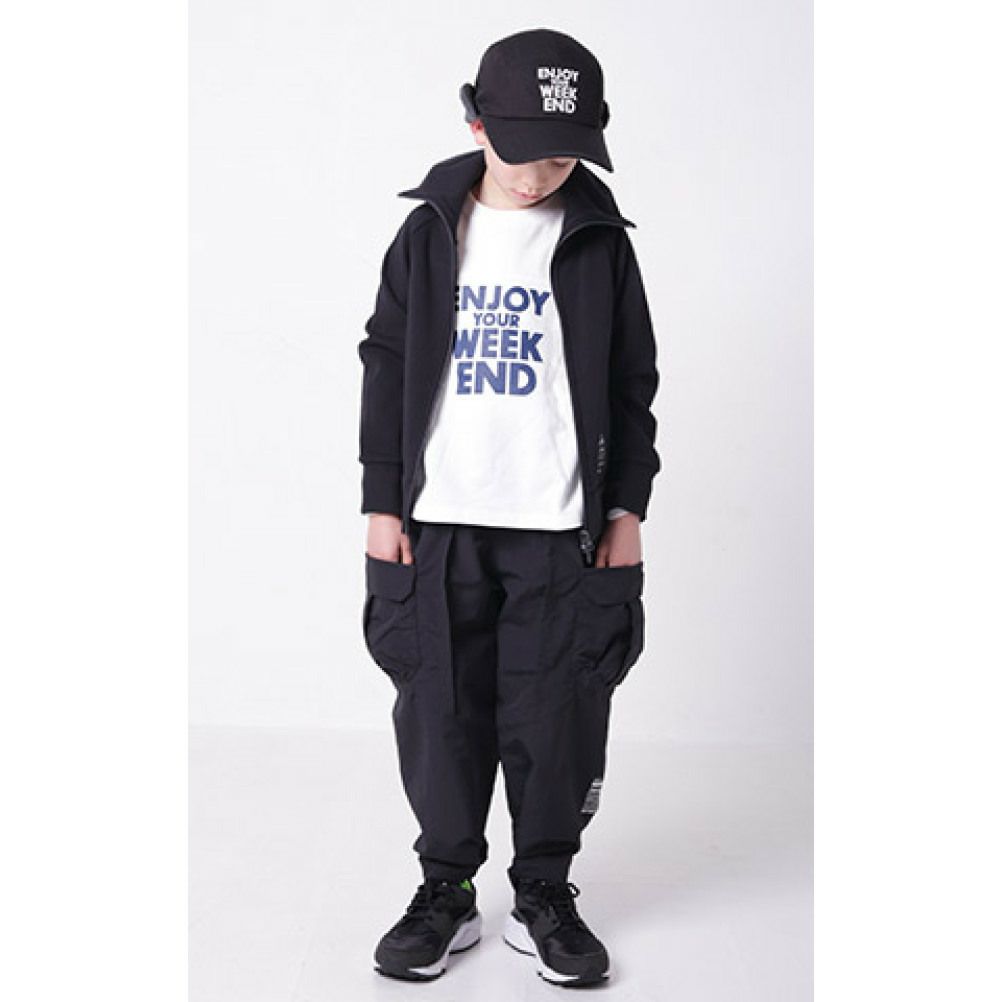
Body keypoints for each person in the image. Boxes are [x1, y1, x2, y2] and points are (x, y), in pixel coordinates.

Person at [357, 27, 661, 987]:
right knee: (439, 711)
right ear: (476, 123)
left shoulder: (599, 242)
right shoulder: (429, 232)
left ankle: (543, 891)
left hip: (562, 526)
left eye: (562, 158)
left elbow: (632, 381)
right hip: (440, 519)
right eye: (521, 150)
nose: (537, 177)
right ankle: (445, 889)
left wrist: (626, 508)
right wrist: (380, 499)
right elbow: (387, 361)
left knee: (557, 713)